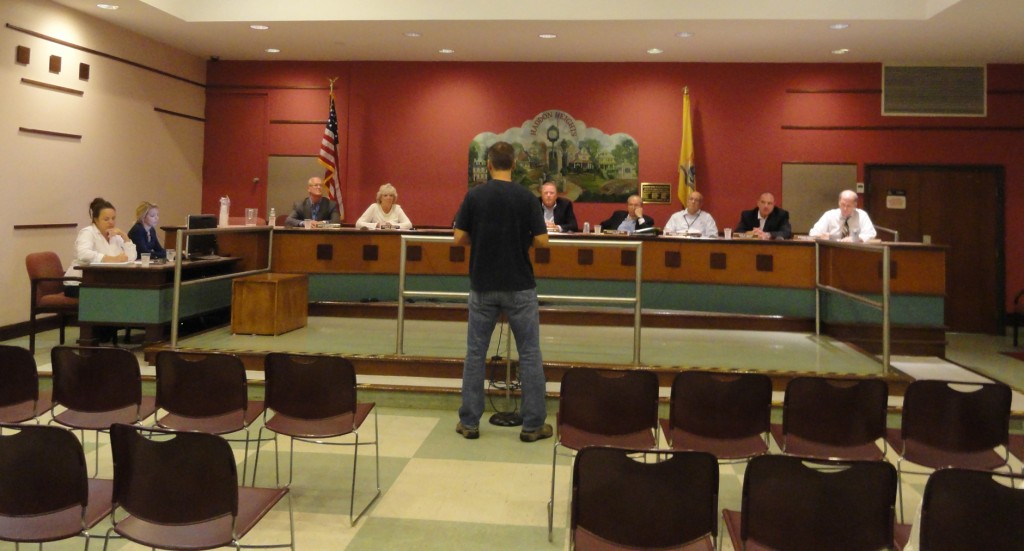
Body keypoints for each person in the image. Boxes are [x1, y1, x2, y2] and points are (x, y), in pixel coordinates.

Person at [452, 141, 551, 443]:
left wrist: (481, 239)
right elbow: (544, 242)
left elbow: (458, 238)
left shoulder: (474, 196)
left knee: (475, 353)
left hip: (483, 285)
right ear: (514, 165)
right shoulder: (527, 198)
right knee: (530, 354)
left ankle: (469, 422)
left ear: (490, 165)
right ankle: (533, 424)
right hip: (520, 285)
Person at [64, 197, 137, 298]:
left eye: (113, 218)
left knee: (132, 291)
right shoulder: (88, 232)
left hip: (103, 281)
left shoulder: (115, 235)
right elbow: (83, 254)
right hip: (79, 283)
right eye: (106, 219)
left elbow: (131, 257)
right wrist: (112, 259)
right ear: (95, 220)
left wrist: (124, 236)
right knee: (116, 296)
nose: (111, 222)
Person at [809, 189, 877, 241]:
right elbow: (813, 233)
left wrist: (855, 238)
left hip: (855, 250)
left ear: (855, 205)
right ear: (839, 203)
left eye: (849, 206)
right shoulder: (829, 215)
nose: (845, 208)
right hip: (832, 250)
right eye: (843, 205)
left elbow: (871, 234)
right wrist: (821, 236)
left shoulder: (862, 215)